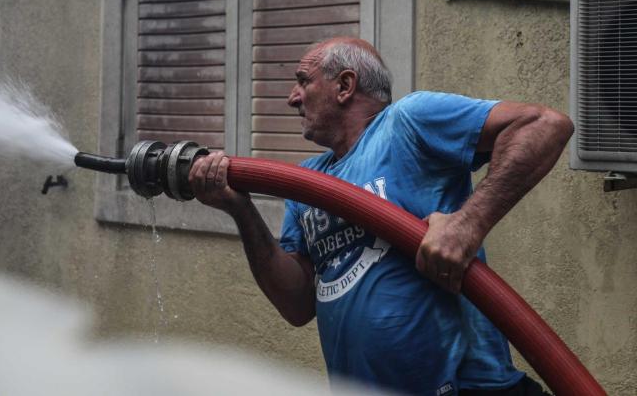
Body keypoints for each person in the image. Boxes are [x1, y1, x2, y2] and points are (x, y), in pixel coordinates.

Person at [188, 37, 573, 396]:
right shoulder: (308, 180)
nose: (292, 98)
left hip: (467, 388)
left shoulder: (406, 123)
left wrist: (469, 222)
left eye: (303, 82)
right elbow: (297, 305)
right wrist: (240, 208)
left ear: (344, 86)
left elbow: (544, 125)